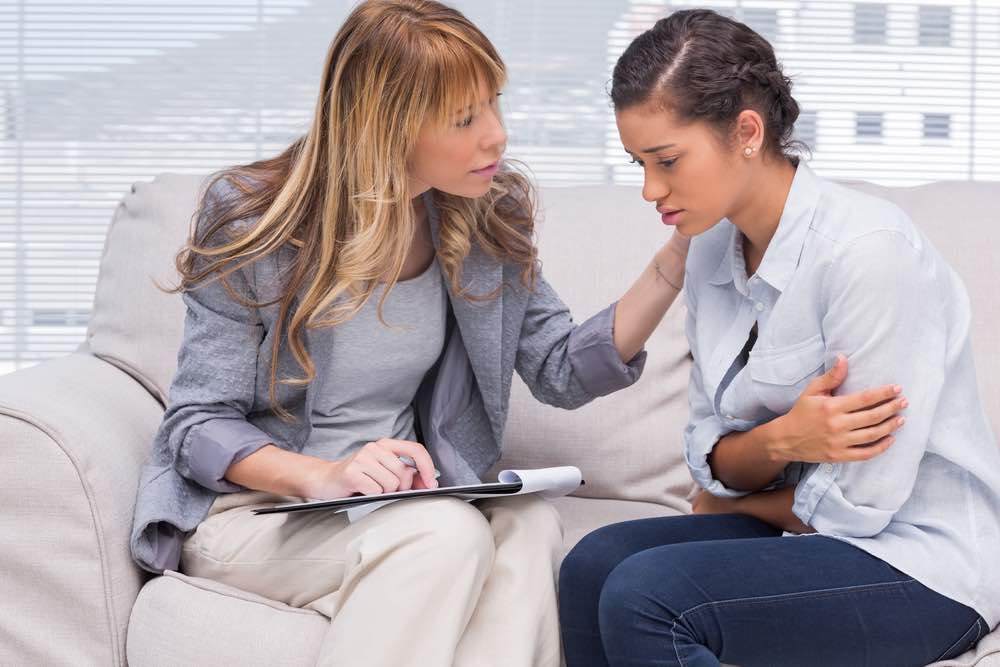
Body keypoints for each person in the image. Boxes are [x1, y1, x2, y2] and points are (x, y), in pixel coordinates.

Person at [128, 2, 693, 665]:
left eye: (494, 105)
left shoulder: (482, 216)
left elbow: (561, 366)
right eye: (464, 118)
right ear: (386, 125)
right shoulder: (256, 223)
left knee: (528, 521)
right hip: (261, 511)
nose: (497, 136)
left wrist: (676, 260)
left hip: (398, 507)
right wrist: (323, 474)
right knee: (443, 532)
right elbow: (196, 425)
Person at [559, 9, 1000, 667]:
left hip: (922, 562)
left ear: (745, 131)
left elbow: (862, 505)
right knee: (592, 562)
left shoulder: (867, 253)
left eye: (668, 160)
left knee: (646, 594)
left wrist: (735, 493)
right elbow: (708, 450)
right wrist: (781, 439)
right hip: (806, 536)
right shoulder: (708, 247)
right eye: (638, 163)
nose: (651, 189)